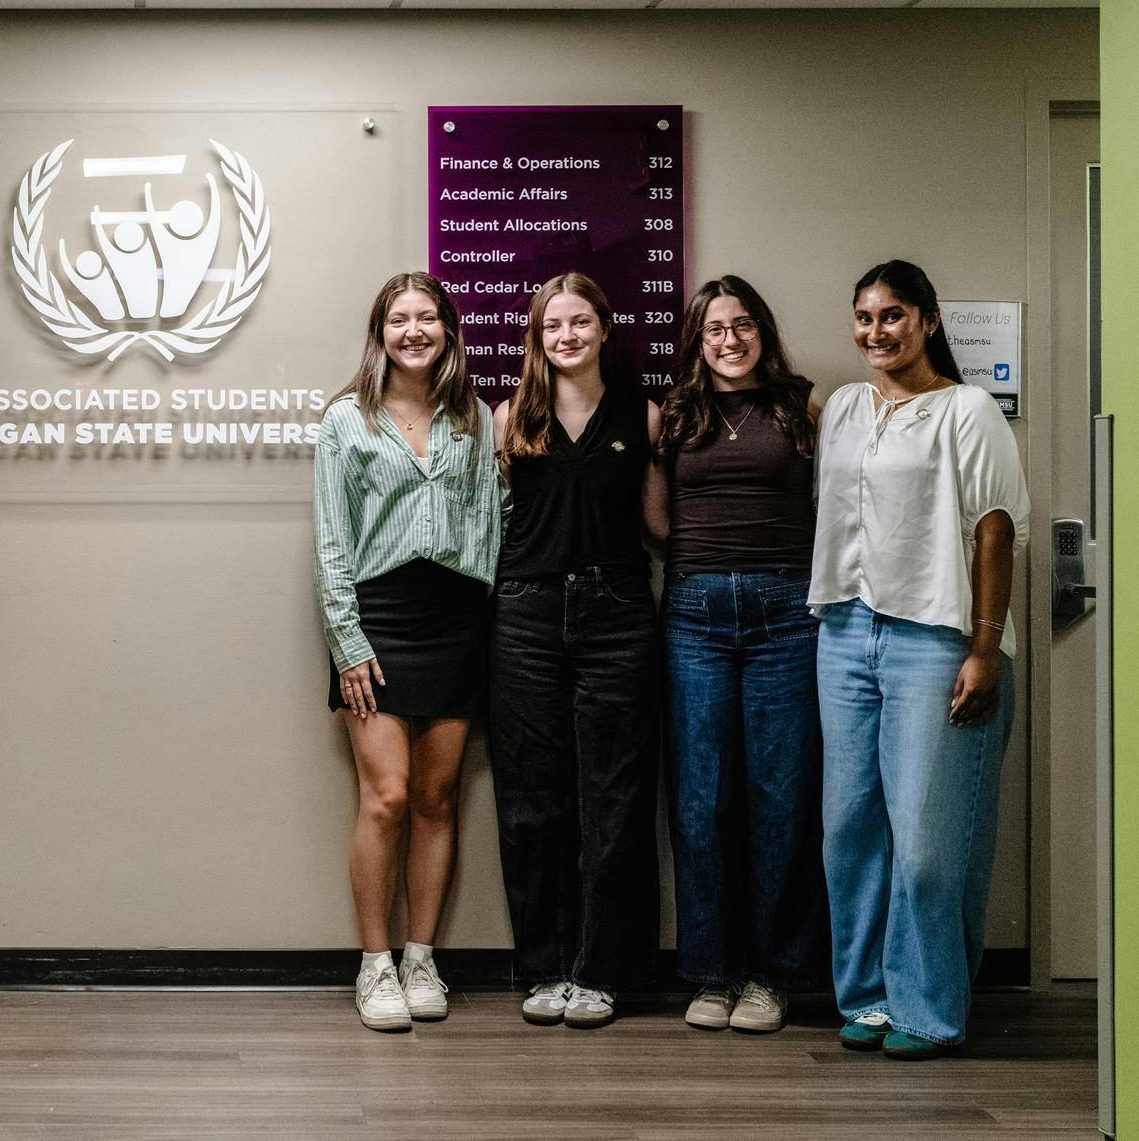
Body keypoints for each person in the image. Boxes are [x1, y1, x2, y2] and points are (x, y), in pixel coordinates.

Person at [813, 260, 1028, 1061]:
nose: (877, 331)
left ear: (928, 320)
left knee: (930, 841)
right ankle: (867, 996)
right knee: (850, 829)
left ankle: (930, 1007)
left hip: (934, 640)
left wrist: (984, 645)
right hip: (842, 633)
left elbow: (997, 529)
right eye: (865, 317)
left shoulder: (967, 410)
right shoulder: (841, 407)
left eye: (893, 315)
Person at [312, 272, 501, 1032]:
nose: (414, 330)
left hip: (457, 617)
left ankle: (422, 956)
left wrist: (490, 619)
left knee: (436, 798)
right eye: (400, 319)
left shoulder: (476, 416)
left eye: (428, 317)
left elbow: (492, 518)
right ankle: (375, 964)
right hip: (378, 619)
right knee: (385, 796)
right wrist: (346, 641)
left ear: (448, 330)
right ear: (380, 332)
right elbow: (330, 538)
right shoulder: (344, 420)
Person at [489, 272, 665, 1030]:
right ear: (537, 336)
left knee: (616, 800)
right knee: (534, 800)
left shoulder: (644, 414)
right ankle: (546, 966)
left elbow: (660, 525)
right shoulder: (509, 416)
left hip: (619, 612)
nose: (566, 335)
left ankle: (601, 971)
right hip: (525, 616)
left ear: (604, 329)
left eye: (580, 321)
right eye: (552, 324)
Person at [650, 276, 825, 1034]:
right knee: (699, 800)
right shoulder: (675, 416)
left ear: (763, 331)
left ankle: (772, 975)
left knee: (781, 797)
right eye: (713, 328)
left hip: (788, 612)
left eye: (742, 324)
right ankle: (713, 973)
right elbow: (656, 516)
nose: (729, 338)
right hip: (693, 613)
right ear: (696, 340)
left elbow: (834, 504)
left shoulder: (803, 408)